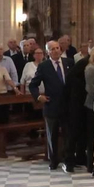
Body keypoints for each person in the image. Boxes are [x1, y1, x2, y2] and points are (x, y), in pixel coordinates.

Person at [28, 40, 74, 172]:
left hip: (67, 106)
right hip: (52, 105)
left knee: (68, 134)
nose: (56, 51)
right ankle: (53, 160)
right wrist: (38, 97)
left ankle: (68, 160)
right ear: (48, 52)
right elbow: (33, 85)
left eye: (57, 48)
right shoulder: (44, 66)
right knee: (52, 134)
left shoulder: (69, 62)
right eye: (52, 49)